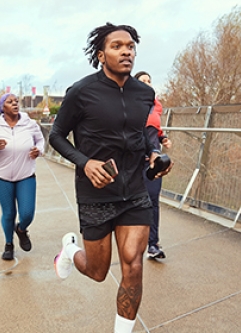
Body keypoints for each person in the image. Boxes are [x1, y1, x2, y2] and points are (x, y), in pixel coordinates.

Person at [49, 23, 173, 333]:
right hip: (96, 192)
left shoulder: (144, 93)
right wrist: (84, 162)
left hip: (133, 189)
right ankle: (69, 249)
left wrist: (155, 153)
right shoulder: (81, 92)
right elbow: (57, 135)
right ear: (102, 55)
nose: (126, 50)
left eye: (130, 46)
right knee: (97, 271)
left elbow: (143, 134)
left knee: (133, 265)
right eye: (117, 46)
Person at [0, 93, 45, 260]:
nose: (15, 104)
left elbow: (41, 140)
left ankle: (21, 229)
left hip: (26, 175)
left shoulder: (29, 124)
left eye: (16, 101)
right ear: (2, 107)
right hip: (1, 178)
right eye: (10, 102)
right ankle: (9, 244)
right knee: (9, 213)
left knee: (27, 213)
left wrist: (39, 150)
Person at [134, 71, 173, 259]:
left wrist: (163, 138)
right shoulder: (129, 105)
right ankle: (132, 240)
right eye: (143, 81)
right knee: (133, 202)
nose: (147, 84)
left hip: (152, 161)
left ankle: (152, 244)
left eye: (149, 81)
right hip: (133, 161)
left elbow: (155, 129)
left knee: (153, 201)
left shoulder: (156, 107)